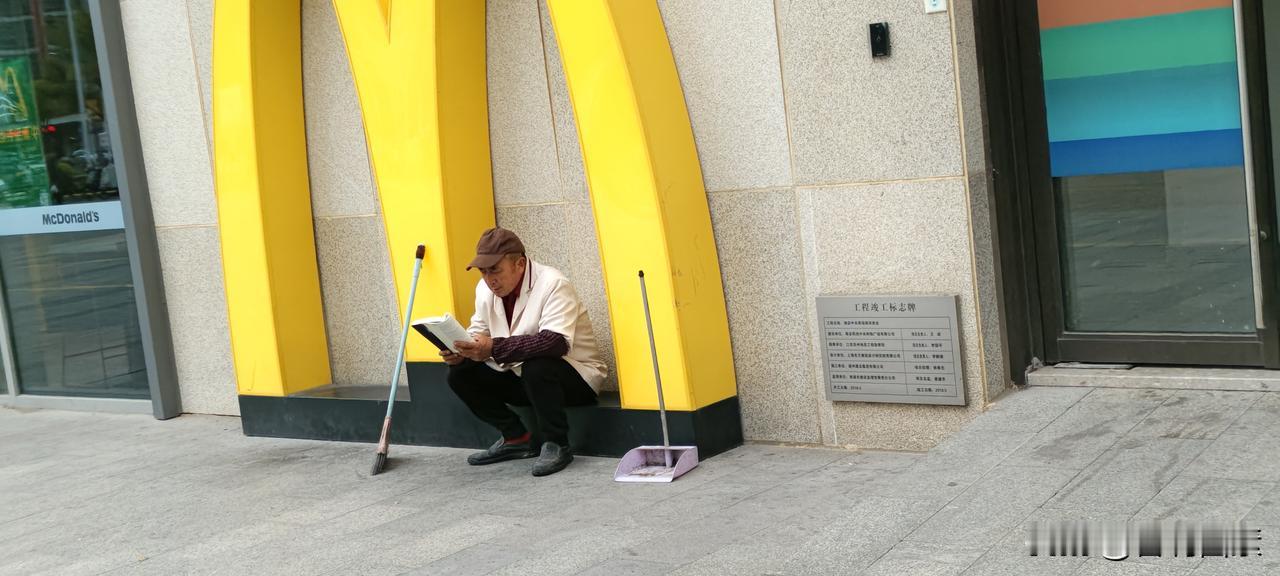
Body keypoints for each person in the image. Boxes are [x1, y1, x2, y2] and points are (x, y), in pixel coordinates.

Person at [444, 227, 607, 476]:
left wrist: (493, 347)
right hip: (522, 377)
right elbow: (478, 330)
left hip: (573, 379)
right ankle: (515, 438)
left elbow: (555, 343)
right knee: (460, 373)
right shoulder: (485, 289)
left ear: (519, 264)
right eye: (483, 271)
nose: (489, 279)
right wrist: (462, 350)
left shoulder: (553, 283)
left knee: (538, 364)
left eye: (495, 270)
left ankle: (557, 444)